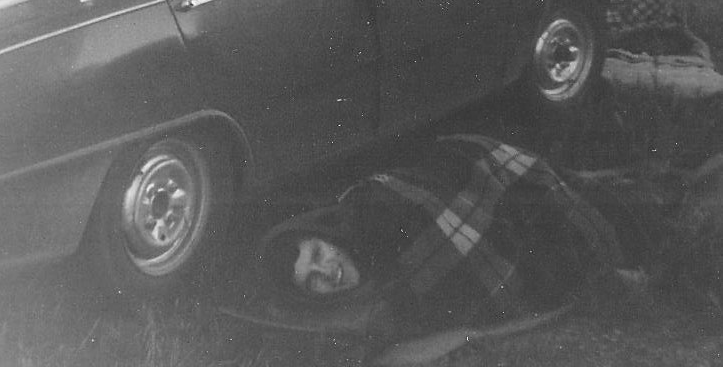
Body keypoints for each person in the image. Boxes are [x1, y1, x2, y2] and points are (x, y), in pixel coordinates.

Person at [258, 134, 629, 339]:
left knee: (590, 205)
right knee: (605, 219)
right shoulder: (375, 307)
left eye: (318, 254)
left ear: (327, 236)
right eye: (313, 282)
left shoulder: (369, 211)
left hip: (480, 168)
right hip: (505, 215)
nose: (327, 271)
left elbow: (439, 207)